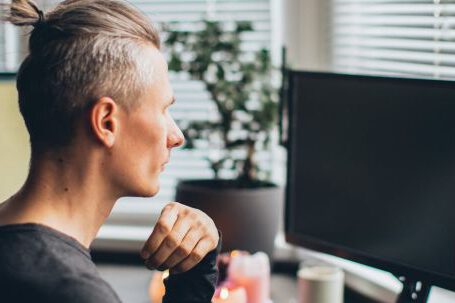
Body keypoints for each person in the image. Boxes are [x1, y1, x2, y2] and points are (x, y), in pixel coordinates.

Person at [0, 0, 221, 302]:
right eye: (163, 110)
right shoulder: (71, 292)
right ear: (106, 122)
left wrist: (197, 269)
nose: (176, 136)